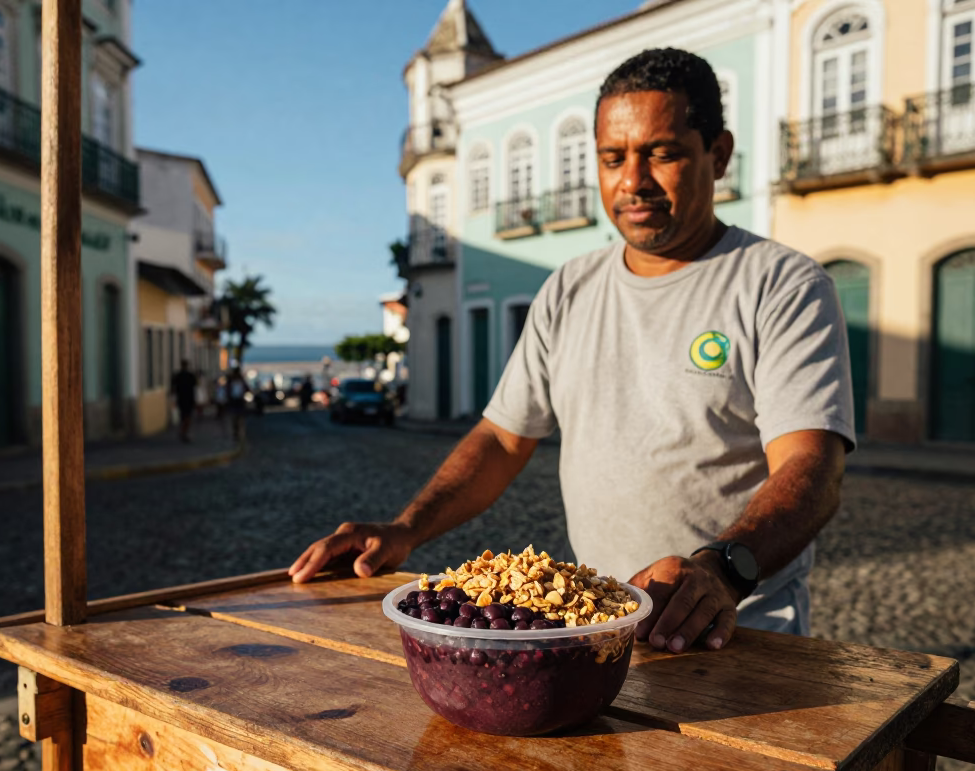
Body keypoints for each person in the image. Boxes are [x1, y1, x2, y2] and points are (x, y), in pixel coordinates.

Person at [289, 48, 855, 653]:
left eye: (661, 154)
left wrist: (721, 569)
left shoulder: (783, 284)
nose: (633, 181)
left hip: (738, 631)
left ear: (717, 155)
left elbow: (811, 468)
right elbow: (503, 439)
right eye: (613, 158)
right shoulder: (569, 287)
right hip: (596, 627)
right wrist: (405, 529)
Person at [170, 360, 198, 443]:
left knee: (183, 416)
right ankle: (183, 432)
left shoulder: (178, 376)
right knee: (187, 417)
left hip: (181, 399)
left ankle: (183, 432)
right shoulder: (190, 375)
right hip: (188, 399)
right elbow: (196, 385)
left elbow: (173, 388)